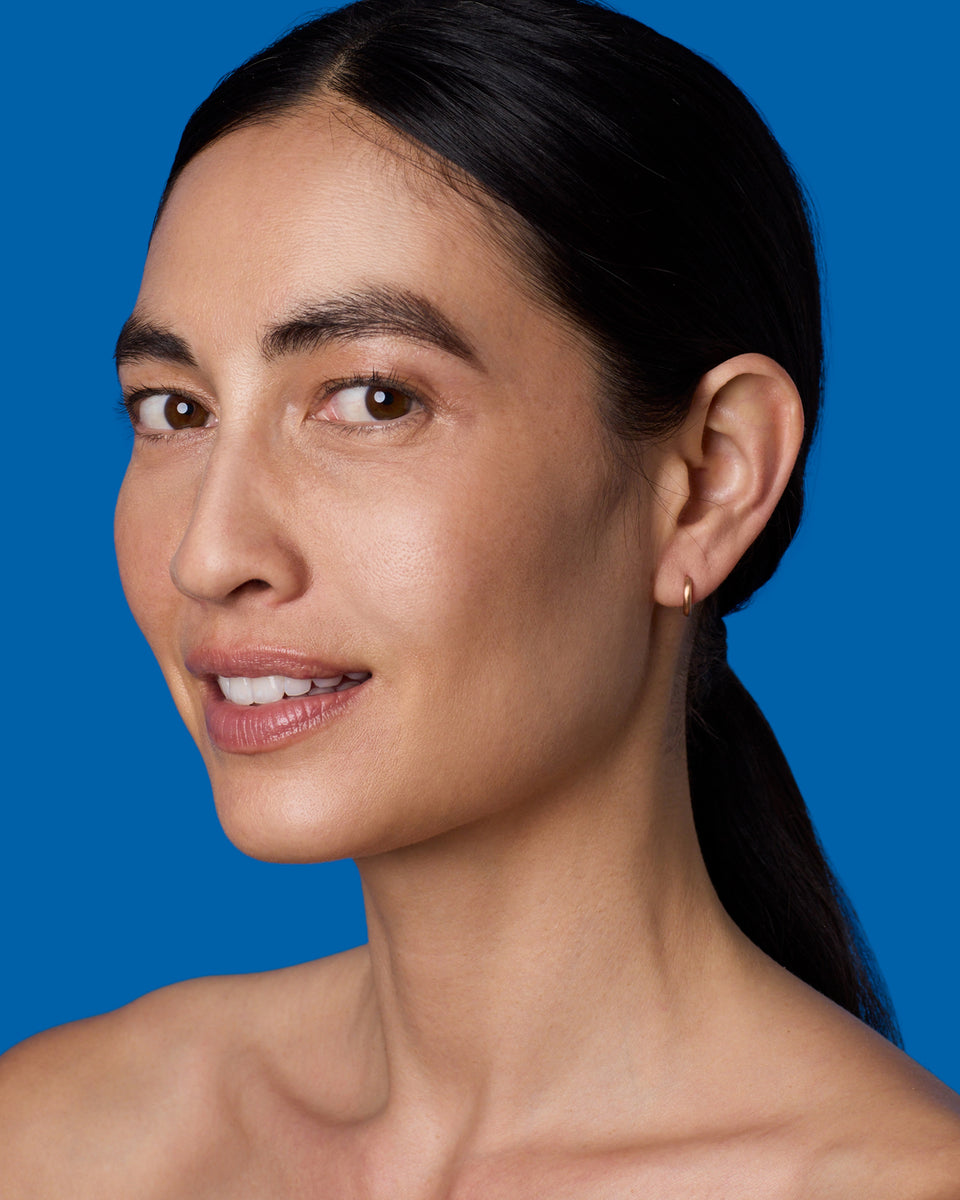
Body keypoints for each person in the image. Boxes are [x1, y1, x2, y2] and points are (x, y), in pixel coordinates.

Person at [2, 0, 958, 1193]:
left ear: (711, 480)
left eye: (374, 401)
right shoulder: (57, 1143)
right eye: (175, 409)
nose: (208, 553)